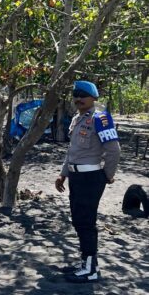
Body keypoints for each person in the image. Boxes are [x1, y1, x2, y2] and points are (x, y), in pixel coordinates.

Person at [54, 80, 120, 283]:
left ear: (93, 97)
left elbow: (114, 150)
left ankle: (91, 270)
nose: (78, 98)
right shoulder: (78, 119)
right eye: (75, 94)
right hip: (76, 176)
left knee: (86, 222)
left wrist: (107, 175)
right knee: (78, 220)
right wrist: (63, 174)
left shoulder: (100, 118)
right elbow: (72, 152)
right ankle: (85, 263)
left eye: (83, 94)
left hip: (91, 177)